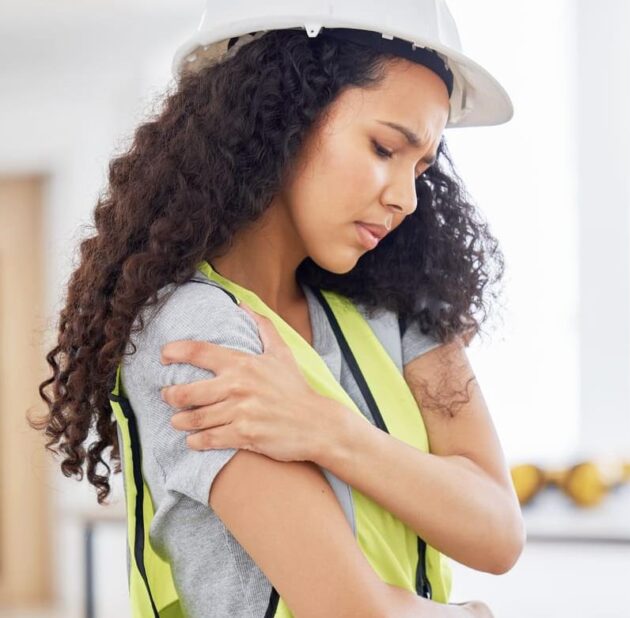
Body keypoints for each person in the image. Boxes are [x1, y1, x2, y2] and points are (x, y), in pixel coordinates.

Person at [32, 1, 522, 616]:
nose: (406, 199)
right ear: (284, 114)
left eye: (421, 168)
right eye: (383, 148)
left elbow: (498, 533)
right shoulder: (193, 332)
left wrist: (327, 429)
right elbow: (350, 611)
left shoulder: (396, 303)